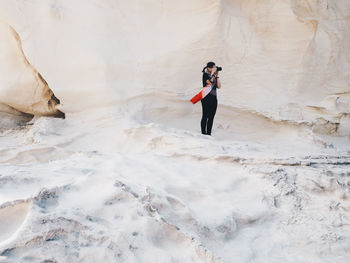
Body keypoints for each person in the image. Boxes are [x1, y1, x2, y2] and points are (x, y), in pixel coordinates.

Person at [200, 61, 221, 135]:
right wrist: (212, 74)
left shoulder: (214, 76)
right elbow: (209, 83)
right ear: (209, 68)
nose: (215, 69)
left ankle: (209, 133)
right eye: (213, 67)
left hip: (213, 98)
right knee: (205, 115)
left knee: (211, 117)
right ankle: (203, 133)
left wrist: (217, 76)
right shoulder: (205, 75)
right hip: (206, 97)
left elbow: (219, 86)